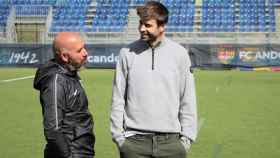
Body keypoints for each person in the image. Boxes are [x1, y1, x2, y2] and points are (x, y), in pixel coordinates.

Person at [110, 1, 198, 158]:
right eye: (140, 24)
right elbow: (118, 98)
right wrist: (120, 139)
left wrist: (186, 140)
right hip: (134, 144)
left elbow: (188, 99)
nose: (142, 29)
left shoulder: (180, 54)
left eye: (148, 25)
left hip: (171, 144)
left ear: (162, 26)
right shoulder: (126, 53)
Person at [34, 32, 95, 158]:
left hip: (81, 150)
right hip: (70, 153)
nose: (85, 53)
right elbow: (53, 129)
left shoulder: (70, 74)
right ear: (65, 56)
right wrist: (68, 156)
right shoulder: (56, 82)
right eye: (79, 50)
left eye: (84, 47)